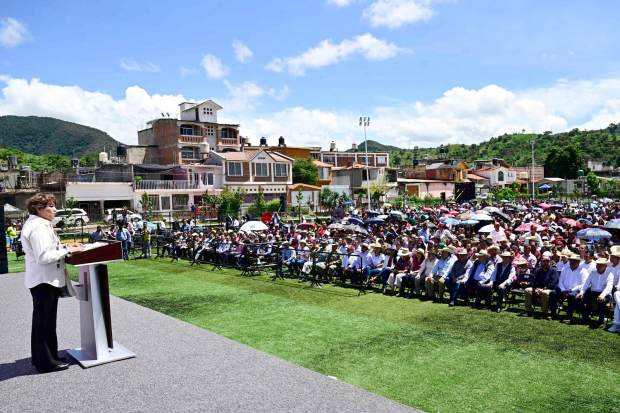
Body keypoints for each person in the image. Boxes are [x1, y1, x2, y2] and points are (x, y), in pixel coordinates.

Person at [21, 193, 83, 373]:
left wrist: (66, 247)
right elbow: (43, 257)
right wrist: (67, 250)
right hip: (44, 280)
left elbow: (47, 250)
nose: (55, 210)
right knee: (44, 322)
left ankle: (49, 357)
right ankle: (46, 362)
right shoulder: (38, 227)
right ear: (39, 209)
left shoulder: (36, 224)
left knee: (45, 321)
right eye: (51, 206)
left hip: (43, 279)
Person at [576, 257, 613, 328]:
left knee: (603, 301)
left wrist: (603, 295)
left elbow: (609, 287)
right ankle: (586, 317)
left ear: (605, 267)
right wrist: (581, 292)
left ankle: (601, 321)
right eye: (598, 265)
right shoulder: (592, 273)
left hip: (604, 293)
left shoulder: (610, 274)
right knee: (579, 298)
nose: (598, 266)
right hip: (593, 292)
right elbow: (586, 284)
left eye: (601, 265)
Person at [554, 254, 588, 323]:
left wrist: (571, 290)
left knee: (571, 295)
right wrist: (563, 290)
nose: (572, 262)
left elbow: (583, 284)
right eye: (571, 261)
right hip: (564, 290)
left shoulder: (583, 271)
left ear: (578, 262)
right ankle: (552, 314)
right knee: (553, 293)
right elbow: (561, 281)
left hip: (576, 291)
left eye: (574, 261)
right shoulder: (565, 269)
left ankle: (569, 316)